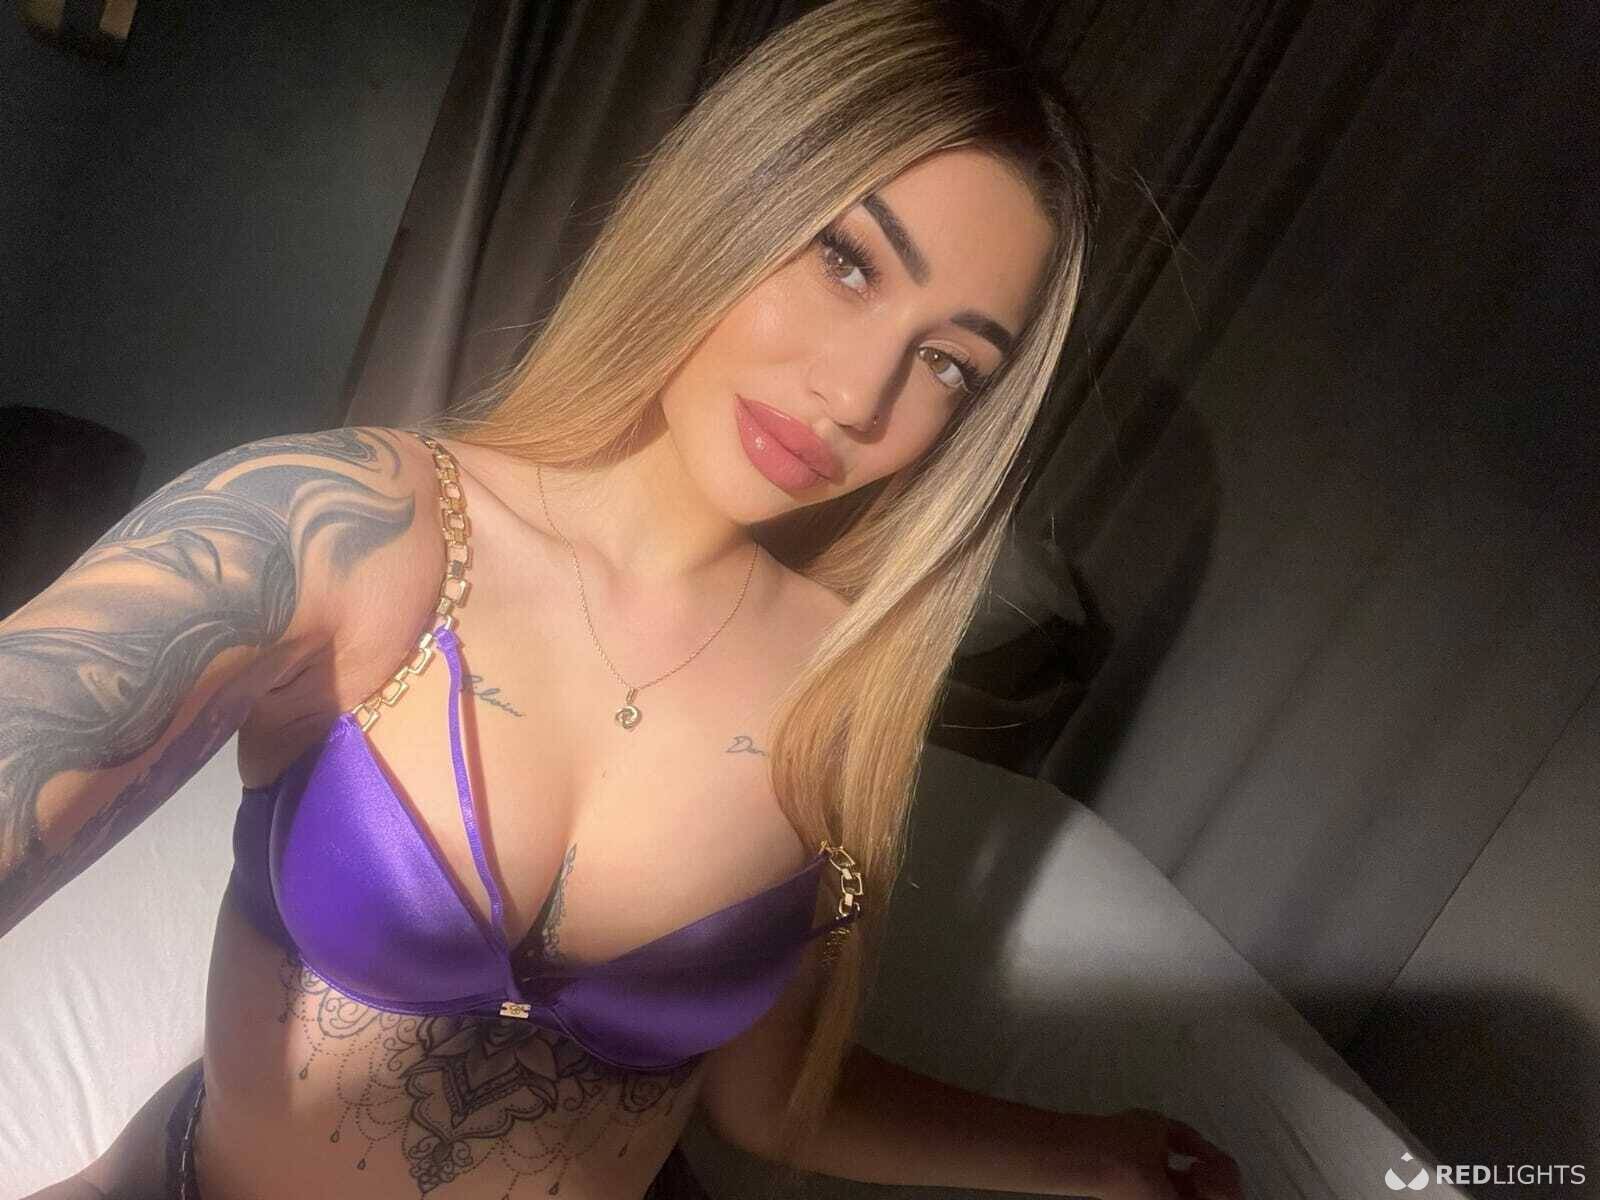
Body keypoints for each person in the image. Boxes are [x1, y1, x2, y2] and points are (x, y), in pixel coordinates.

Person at [1, 1, 1244, 1197]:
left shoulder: (844, 688)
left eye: (947, 364)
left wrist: (1092, 1157)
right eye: (846, 262)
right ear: (732, 197)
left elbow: (770, 1103)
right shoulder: (351, 526)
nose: (858, 398)